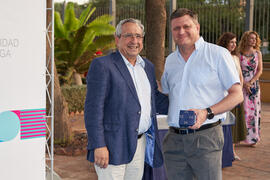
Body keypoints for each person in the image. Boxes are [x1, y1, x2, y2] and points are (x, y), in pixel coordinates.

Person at [161, 8, 243, 180]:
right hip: (174, 140)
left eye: (186, 26)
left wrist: (207, 112)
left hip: (206, 138)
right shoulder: (170, 61)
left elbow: (237, 94)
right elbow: (166, 93)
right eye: (176, 28)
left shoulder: (218, 54)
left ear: (197, 27)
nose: (181, 31)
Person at [84, 18, 168, 180]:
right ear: (117, 39)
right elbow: (93, 109)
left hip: (140, 144)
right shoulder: (102, 65)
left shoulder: (147, 67)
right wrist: (99, 145)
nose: (134, 41)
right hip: (112, 146)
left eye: (138, 36)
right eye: (128, 35)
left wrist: (183, 103)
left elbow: (154, 100)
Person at [217, 32, 246, 165]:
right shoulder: (220, 55)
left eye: (235, 42)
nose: (234, 44)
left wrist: (238, 92)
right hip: (224, 96)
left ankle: (232, 151)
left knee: (235, 124)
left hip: (235, 95)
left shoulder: (235, 57)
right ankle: (225, 152)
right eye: (231, 42)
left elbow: (240, 75)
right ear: (225, 42)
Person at [238, 31, 263, 146]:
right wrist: (244, 84)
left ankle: (253, 138)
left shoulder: (258, 53)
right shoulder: (240, 54)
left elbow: (260, 70)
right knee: (244, 111)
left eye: (255, 38)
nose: (253, 40)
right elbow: (237, 71)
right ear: (246, 39)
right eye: (251, 38)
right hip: (242, 84)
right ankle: (241, 137)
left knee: (254, 111)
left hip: (254, 86)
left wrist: (251, 83)